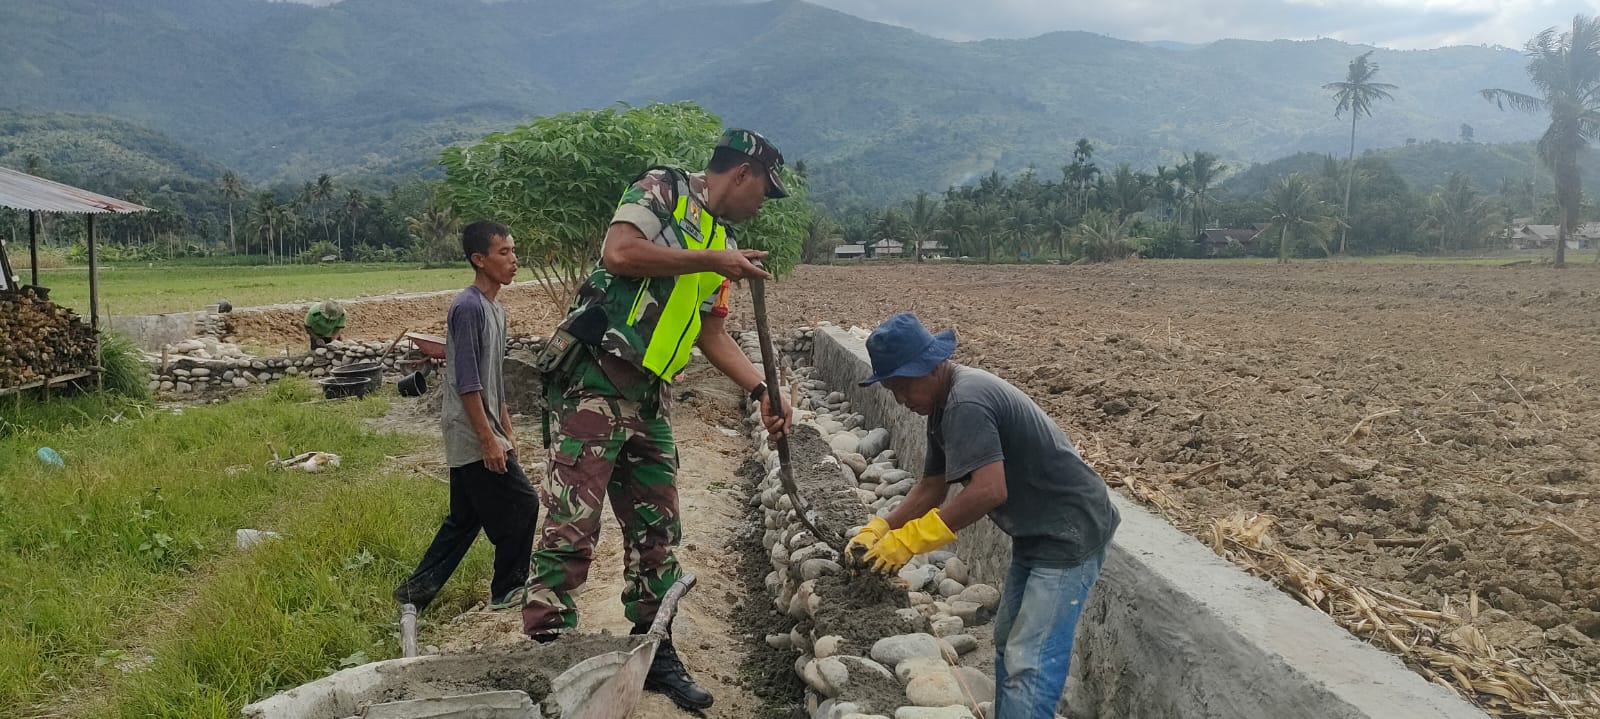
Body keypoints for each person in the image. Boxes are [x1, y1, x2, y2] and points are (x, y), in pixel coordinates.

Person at [522, 128, 794, 711]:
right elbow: (618, 253)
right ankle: (548, 656)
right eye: (764, 191)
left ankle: (656, 649)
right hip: (597, 381)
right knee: (572, 523)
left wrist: (761, 389)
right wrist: (712, 259)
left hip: (650, 395)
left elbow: (711, 333)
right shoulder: (663, 190)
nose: (762, 204)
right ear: (741, 173)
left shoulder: (722, 240)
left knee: (658, 528)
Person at [846, 312, 1120, 719]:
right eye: (892, 390)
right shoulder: (942, 404)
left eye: (903, 387)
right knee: (1009, 640)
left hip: (1070, 530)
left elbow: (990, 491)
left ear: (931, 367)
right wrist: (881, 527)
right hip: (1036, 529)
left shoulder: (966, 401)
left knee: (1030, 659)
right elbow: (932, 486)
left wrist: (911, 541)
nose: (901, 400)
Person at [392, 221, 539, 613]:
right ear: (479, 259)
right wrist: (488, 439)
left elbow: (494, 381)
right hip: (471, 430)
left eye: (513, 250)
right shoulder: (468, 307)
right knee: (524, 504)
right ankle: (508, 588)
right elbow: (468, 382)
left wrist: (507, 432)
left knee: (463, 520)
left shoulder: (496, 310)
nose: (514, 259)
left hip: (487, 426)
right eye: (504, 252)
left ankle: (411, 596)